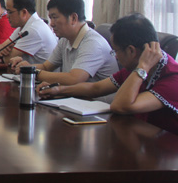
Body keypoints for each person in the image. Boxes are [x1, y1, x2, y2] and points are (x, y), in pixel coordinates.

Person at [39, 13, 178, 135]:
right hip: (137, 136)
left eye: (115, 51)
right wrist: (58, 89)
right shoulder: (135, 66)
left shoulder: (172, 79)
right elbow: (96, 88)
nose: (115, 57)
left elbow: (120, 106)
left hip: (163, 150)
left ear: (131, 51)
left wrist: (142, 68)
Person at [10, 0, 118, 87]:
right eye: (50, 18)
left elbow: (74, 79)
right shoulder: (65, 40)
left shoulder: (93, 43)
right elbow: (46, 67)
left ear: (73, 18)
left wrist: (33, 72)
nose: (51, 24)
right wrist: (25, 67)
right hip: (75, 98)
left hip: (95, 102)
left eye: (55, 17)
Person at [0, 0, 57, 64]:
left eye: (10, 12)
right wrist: (2, 52)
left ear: (23, 12)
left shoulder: (33, 29)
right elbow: (1, 48)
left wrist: (4, 53)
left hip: (41, 71)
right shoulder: (23, 26)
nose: (7, 16)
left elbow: (7, 60)